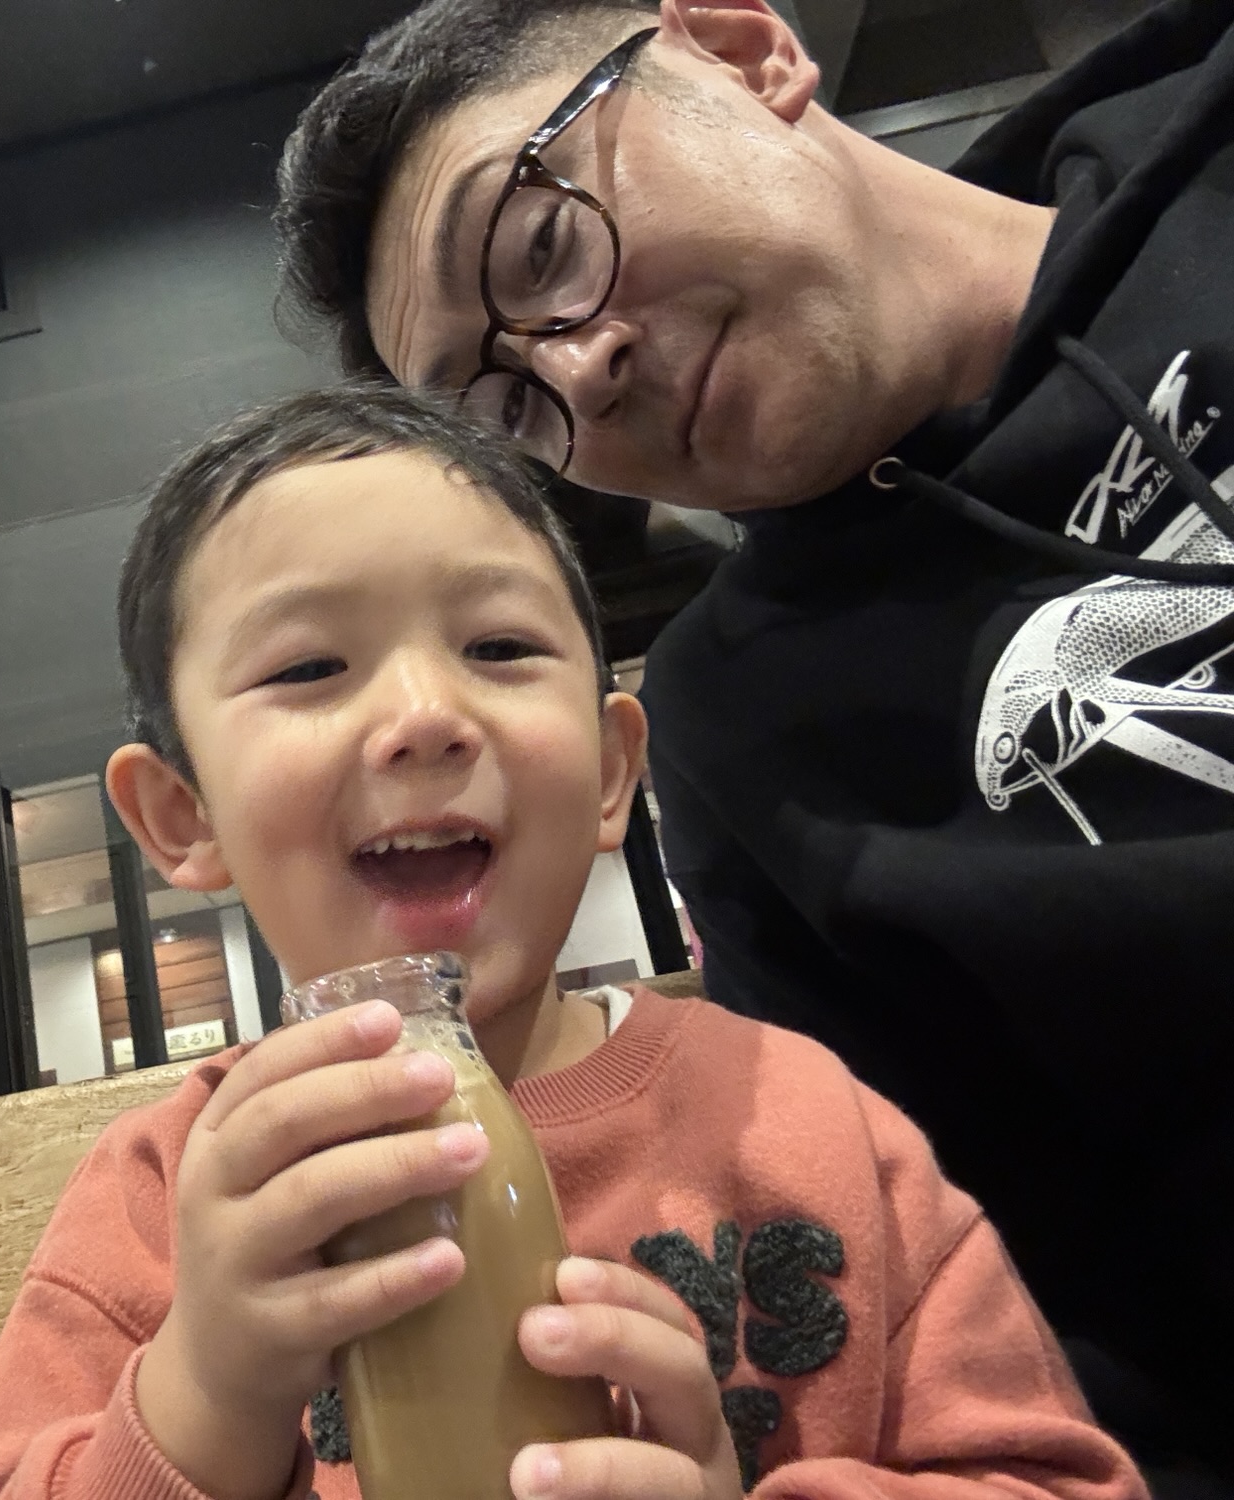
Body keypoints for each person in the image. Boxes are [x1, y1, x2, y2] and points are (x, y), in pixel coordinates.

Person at [272, 0, 1234, 1477]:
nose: (575, 377)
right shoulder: (745, 734)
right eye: (505, 400)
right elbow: (1015, 1314)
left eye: (545, 246)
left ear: (738, 51)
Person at [0, 384, 1140, 1500]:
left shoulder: (804, 1122)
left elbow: (1056, 1478)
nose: (423, 718)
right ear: (182, 817)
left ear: (612, 772)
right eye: (307, 665)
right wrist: (203, 1396)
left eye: (498, 648)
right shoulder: (165, 1200)